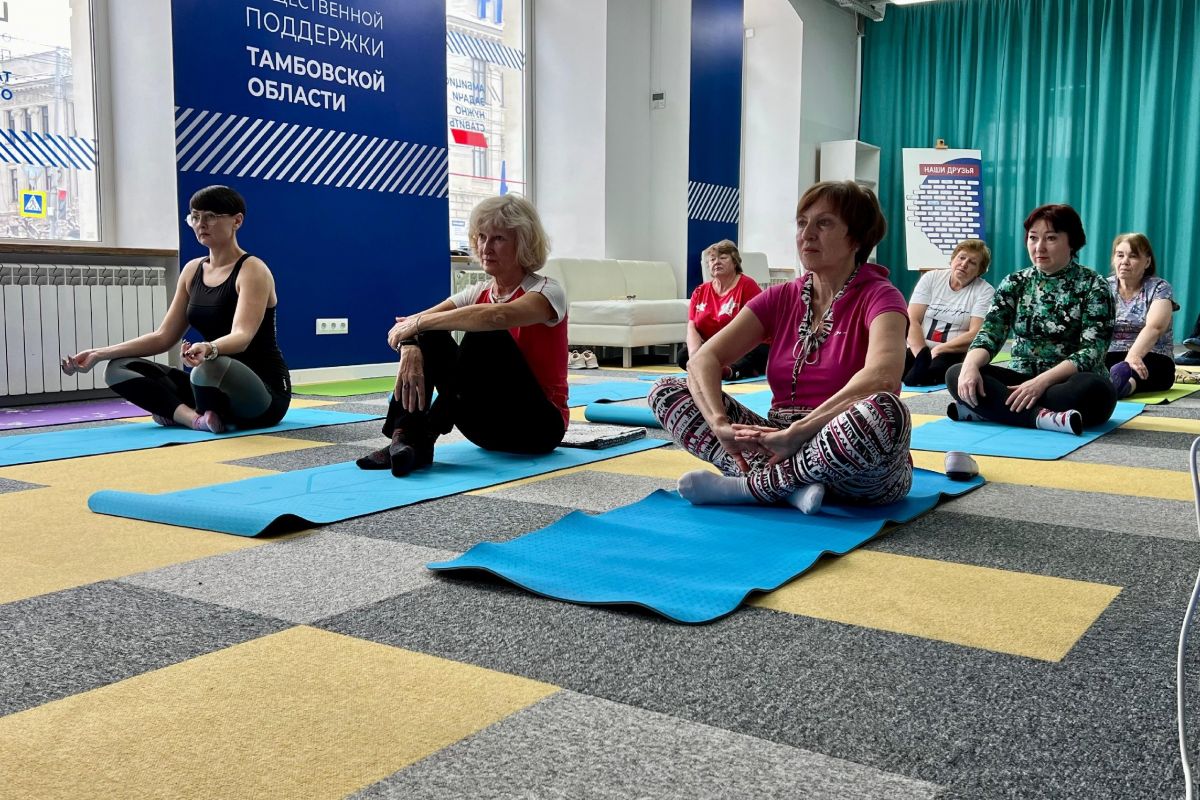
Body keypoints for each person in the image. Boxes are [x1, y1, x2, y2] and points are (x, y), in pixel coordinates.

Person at [648, 180, 912, 515]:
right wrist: (719, 424)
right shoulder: (782, 296)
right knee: (666, 391)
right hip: (777, 442)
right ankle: (789, 486)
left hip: (855, 465)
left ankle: (751, 487)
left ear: (856, 238)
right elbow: (704, 360)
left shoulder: (881, 296)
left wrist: (800, 432)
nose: (807, 234)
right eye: (802, 223)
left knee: (886, 411)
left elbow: (883, 377)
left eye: (824, 223)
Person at [355, 194, 568, 476]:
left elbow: (497, 316)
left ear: (523, 243)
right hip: (484, 429)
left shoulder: (548, 291)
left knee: (485, 335)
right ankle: (405, 435)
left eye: (498, 239)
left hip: (536, 428)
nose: (485, 248)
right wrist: (410, 345)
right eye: (481, 237)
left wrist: (417, 326)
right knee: (430, 334)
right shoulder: (477, 292)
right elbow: (408, 325)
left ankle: (424, 434)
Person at [61, 185, 290, 433]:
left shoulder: (253, 270)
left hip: (263, 394)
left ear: (237, 221)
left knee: (208, 368)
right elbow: (163, 337)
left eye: (211, 216)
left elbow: (242, 336)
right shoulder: (192, 270)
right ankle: (195, 419)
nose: (201, 224)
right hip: (208, 383)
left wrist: (208, 348)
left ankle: (176, 412)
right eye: (195, 217)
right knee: (118, 368)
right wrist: (98, 354)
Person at [946, 204, 1116, 435]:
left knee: (1092, 391)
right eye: (1033, 238)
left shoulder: (1094, 285)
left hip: (1067, 382)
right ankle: (1042, 418)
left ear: (1072, 242)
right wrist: (970, 366)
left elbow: (1092, 351)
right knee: (956, 373)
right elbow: (990, 332)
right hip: (1020, 378)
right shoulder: (1015, 282)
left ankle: (992, 410)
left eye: (1051, 238)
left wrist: (1041, 383)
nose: (1039, 247)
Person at [904, 239, 995, 386]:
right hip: (922, 348)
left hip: (953, 353)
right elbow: (912, 319)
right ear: (952, 259)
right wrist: (921, 354)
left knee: (932, 373)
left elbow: (976, 333)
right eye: (961, 257)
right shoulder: (931, 278)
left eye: (972, 262)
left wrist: (940, 349)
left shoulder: (985, 291)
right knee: (891, 366)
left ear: (979, 271)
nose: (964, 264)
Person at [677, 240, 768, 379]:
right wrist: (695, 356)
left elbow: (757, 327)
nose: (717, 262)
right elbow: (692, 327)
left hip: (743, 345)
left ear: (735, 262)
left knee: (758, 352)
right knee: (684, 355)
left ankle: (728, 371)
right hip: (715, 348)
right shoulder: (700, 291)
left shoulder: (747, 285)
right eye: (712, 259)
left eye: (723, 258)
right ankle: (709, 367)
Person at [1105, 233, 1177, 397]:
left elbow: (1155, 327)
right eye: (1120, 255)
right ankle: (1108, 385)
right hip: (1110, 354)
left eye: (1133, 256)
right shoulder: (1103, 287)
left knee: (1149, 369)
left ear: (1147, 262)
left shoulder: (1159, 287)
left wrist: (1133, 356)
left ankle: (1122, 386)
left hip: (1151, 355)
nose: (1125, 261)